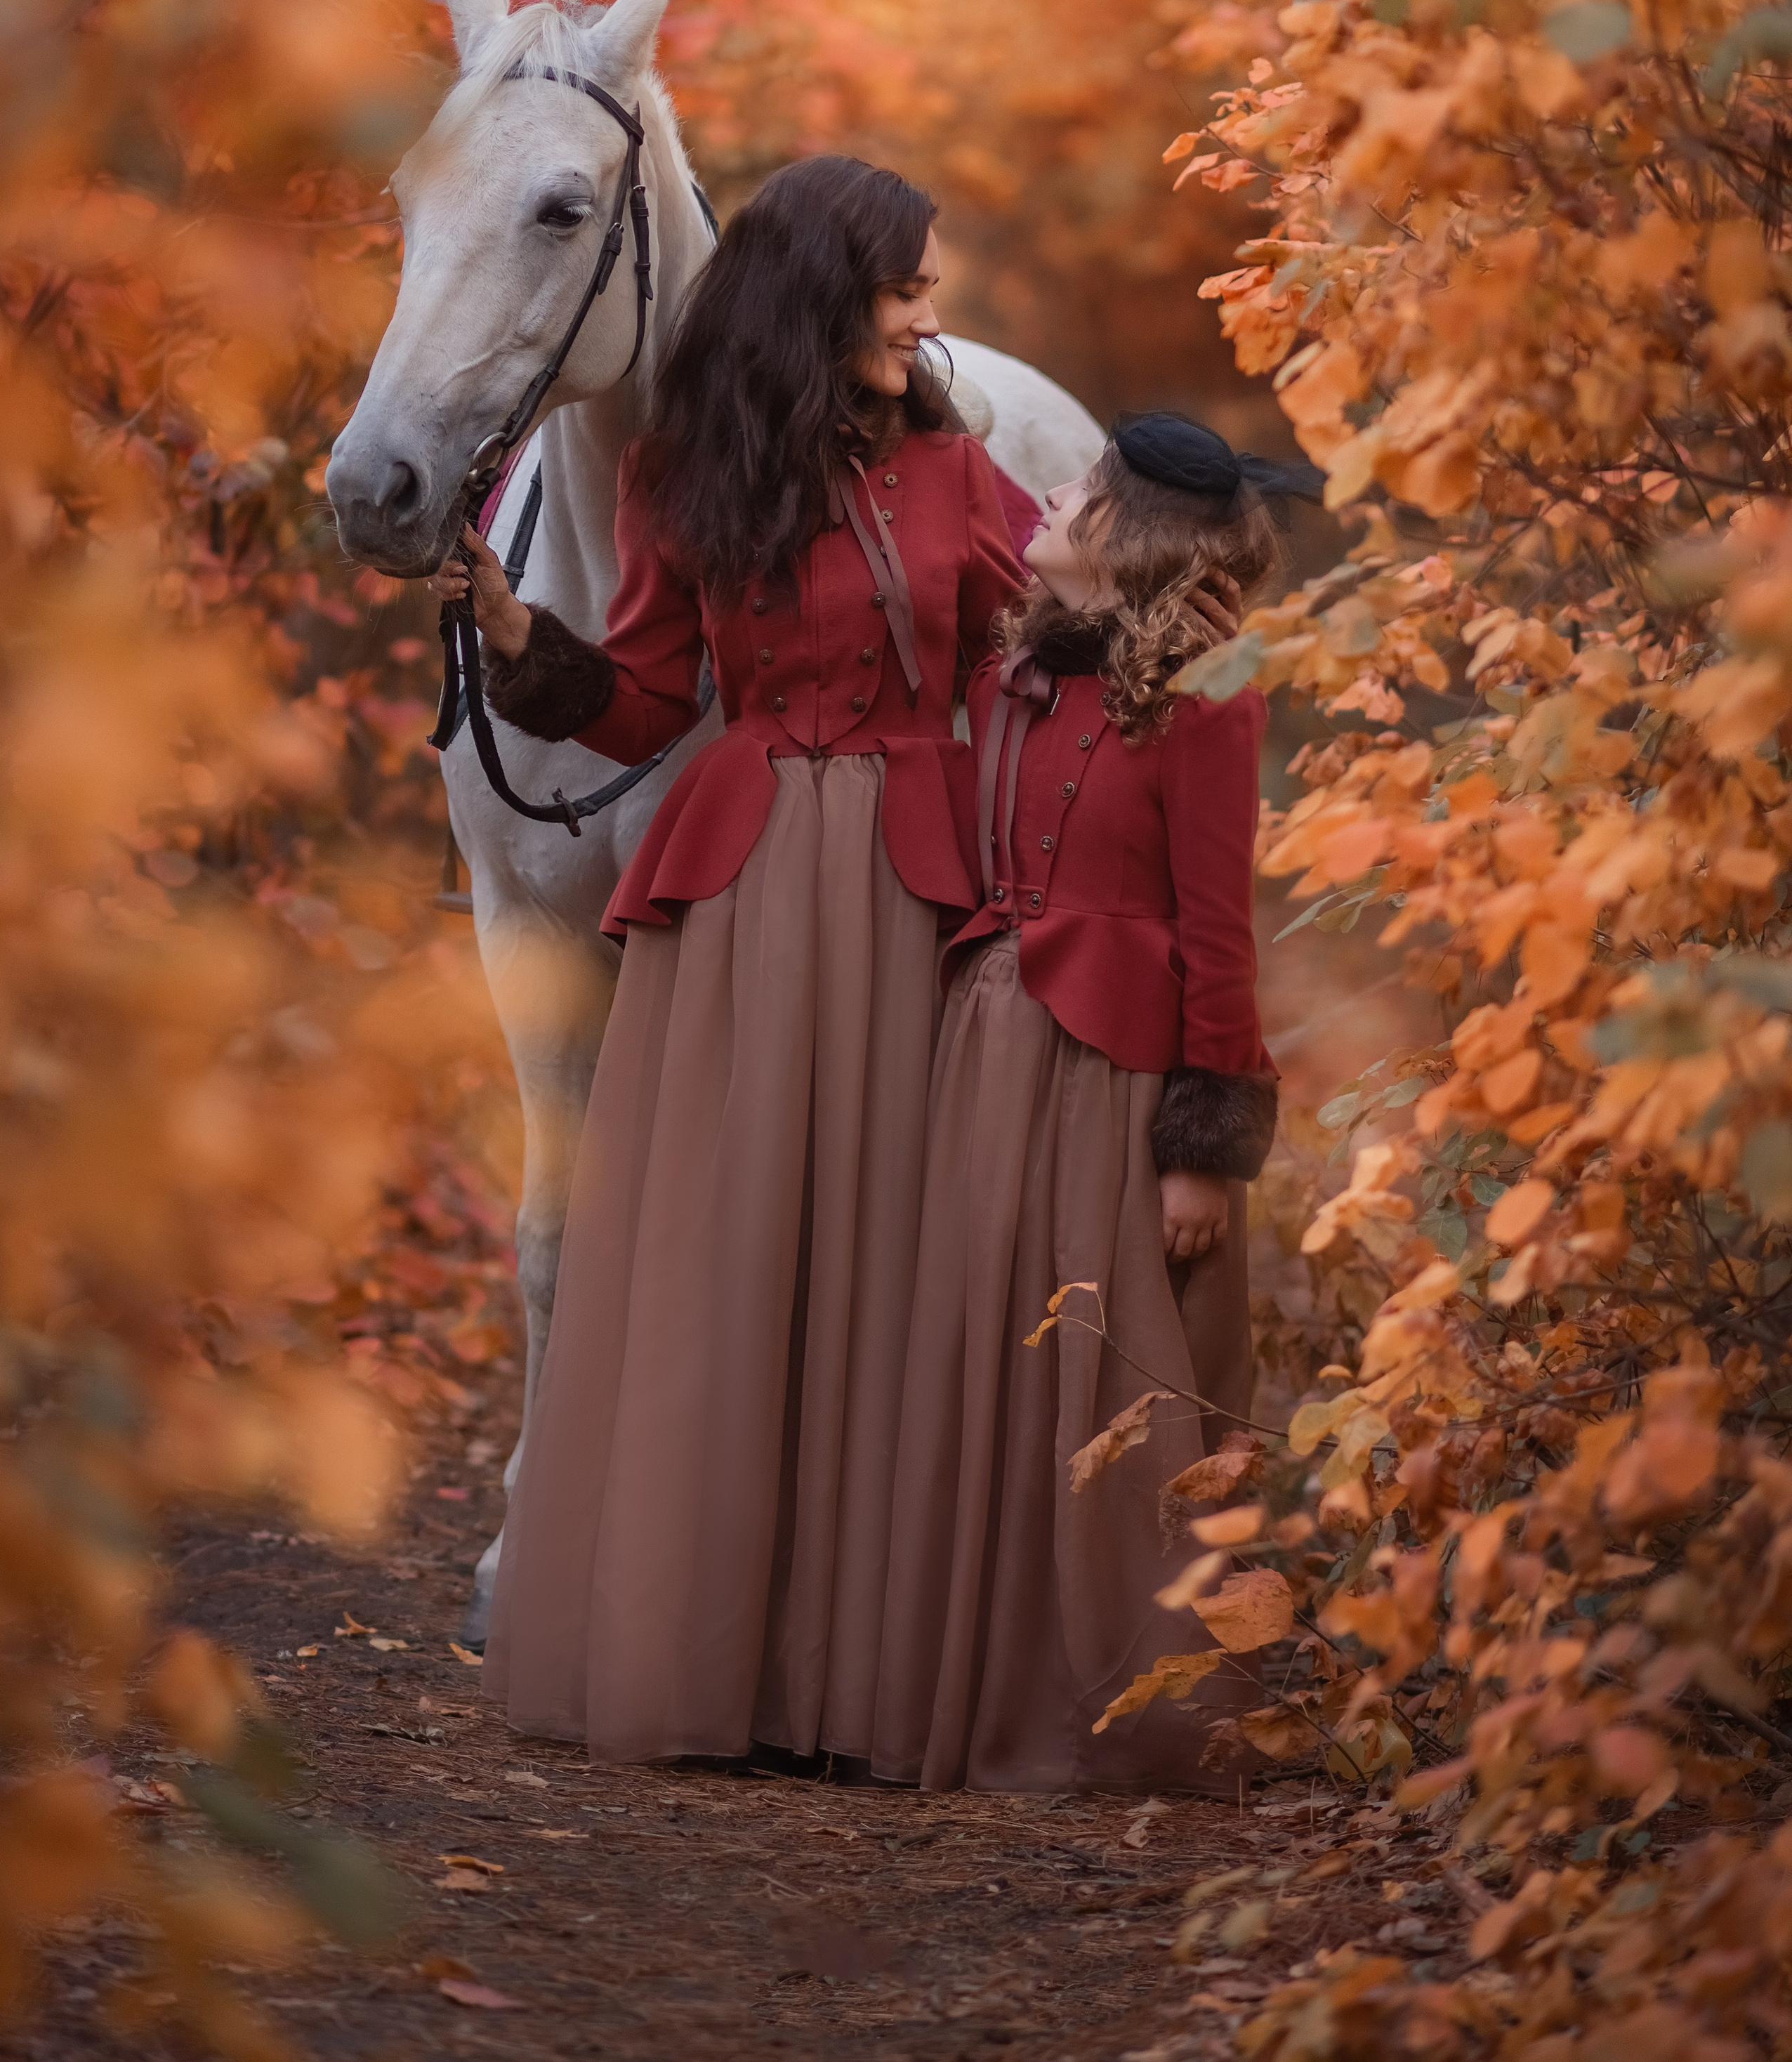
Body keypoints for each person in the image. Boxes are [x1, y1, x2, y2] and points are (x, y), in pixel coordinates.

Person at [429, 154, 1028, 1768]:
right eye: (902, 283)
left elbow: (1058, 630)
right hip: (749, 897)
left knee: (887, 1270)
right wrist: (517, 644)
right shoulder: (685, 479)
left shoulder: (955, 469)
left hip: (910, 892)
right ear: (825, 295)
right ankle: (717, 1659)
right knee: (729, 1262)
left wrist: (1191, 587)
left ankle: (860, 1680)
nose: (923, 309)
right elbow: (636, 698)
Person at [871, 412, 1322, 1793]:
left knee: (1114, 1377)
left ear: (1122, 534)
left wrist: (1203, 1148)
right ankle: (977, 1686)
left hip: (1114, 1081)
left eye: (1069, 487)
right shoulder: (1021, 668)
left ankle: (1129, 1712)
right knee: (987, 1369)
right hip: (989, 1049)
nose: (1043, 493)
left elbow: (1218, 934)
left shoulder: (1204, 696)